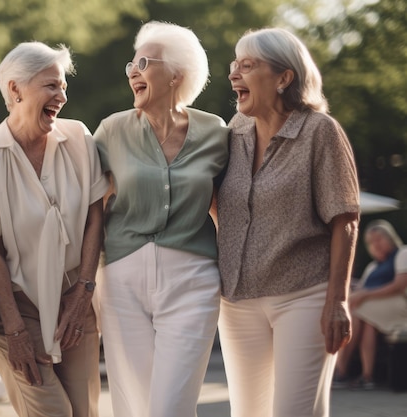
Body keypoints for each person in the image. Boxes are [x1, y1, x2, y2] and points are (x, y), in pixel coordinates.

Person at [217, 27, 360, 417]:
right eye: (235, 65)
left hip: (303, 296)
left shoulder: (320, 131)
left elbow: (344, 219)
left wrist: (338, 300)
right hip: (238, 301)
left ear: (284, 78)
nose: (234, 75)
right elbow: (222, 205)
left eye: (247, 66)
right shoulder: (236, 130)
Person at [93, 21, 229, 417]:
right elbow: (89, 209)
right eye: (131, 66)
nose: (133, 71)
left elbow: (229, 204)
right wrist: (84, 280)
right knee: (132, 404)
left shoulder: (216, 133)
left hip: (193, 281)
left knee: (171, 406)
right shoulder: (111, 131)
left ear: (176, 75)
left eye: (143, 62)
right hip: (121, 282)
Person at [0, 41, 108, 417]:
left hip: (75, 300)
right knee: (52, 412)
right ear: (15, 89)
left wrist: (84, 290)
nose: (62, 95)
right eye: (51, 86)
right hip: (15, 308)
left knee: (84, 411)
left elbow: (97, 216)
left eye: (63, 86)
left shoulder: (79, 137)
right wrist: (14, 332)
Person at [334, 220, 407, 389]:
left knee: (356, 310)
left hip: (400, 306)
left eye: (379, 239)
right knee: (367, 324)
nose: (376, 245)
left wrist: (365, 294)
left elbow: (400, 285)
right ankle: (367, 377)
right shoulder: (372, 266)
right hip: (374, 311)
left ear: (390, 238)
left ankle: (340, 370)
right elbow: (360, 288)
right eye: (371, 242)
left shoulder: (403, 253)